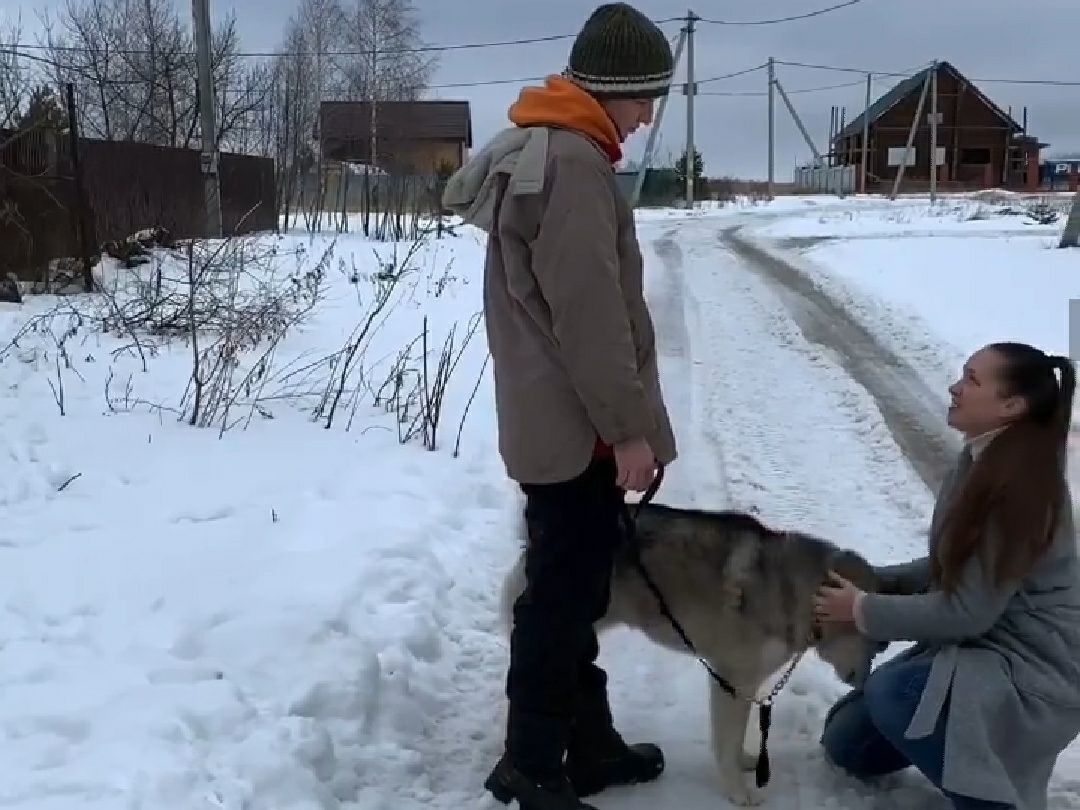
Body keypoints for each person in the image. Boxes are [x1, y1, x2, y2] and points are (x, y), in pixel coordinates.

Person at [440, 4, 678, 809]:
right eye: (645, 97)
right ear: (612, 88)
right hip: (580, 430)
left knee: (573, 591)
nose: (648, 116)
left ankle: (589, 745)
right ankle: (533, 764)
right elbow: (590, 318)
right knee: (559, 601)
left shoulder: (556, 151)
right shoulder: (573, 165)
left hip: (560, 423)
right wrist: (628, 431)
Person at [812, 341, 1080, 810]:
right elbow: (952, 566)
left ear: (1011, 406)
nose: (955, 388)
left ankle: (995, 801)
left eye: (972, 380)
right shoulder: (985, 456)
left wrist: (860, 609)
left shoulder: (1020, 488)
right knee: (846, 743)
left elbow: (966, 612)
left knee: (895, 693)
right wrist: (879, 580)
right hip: (986, 642)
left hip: (1036, 667)